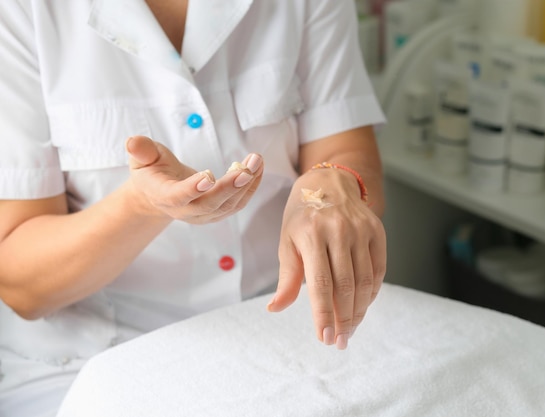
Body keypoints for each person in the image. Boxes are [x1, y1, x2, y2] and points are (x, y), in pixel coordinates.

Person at [0, 0, 387, 415]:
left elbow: (345, 147)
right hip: (94, 356)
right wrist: (144, 205)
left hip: (280, 327)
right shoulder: (21, 11)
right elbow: (22, 285)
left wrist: (334, 182)